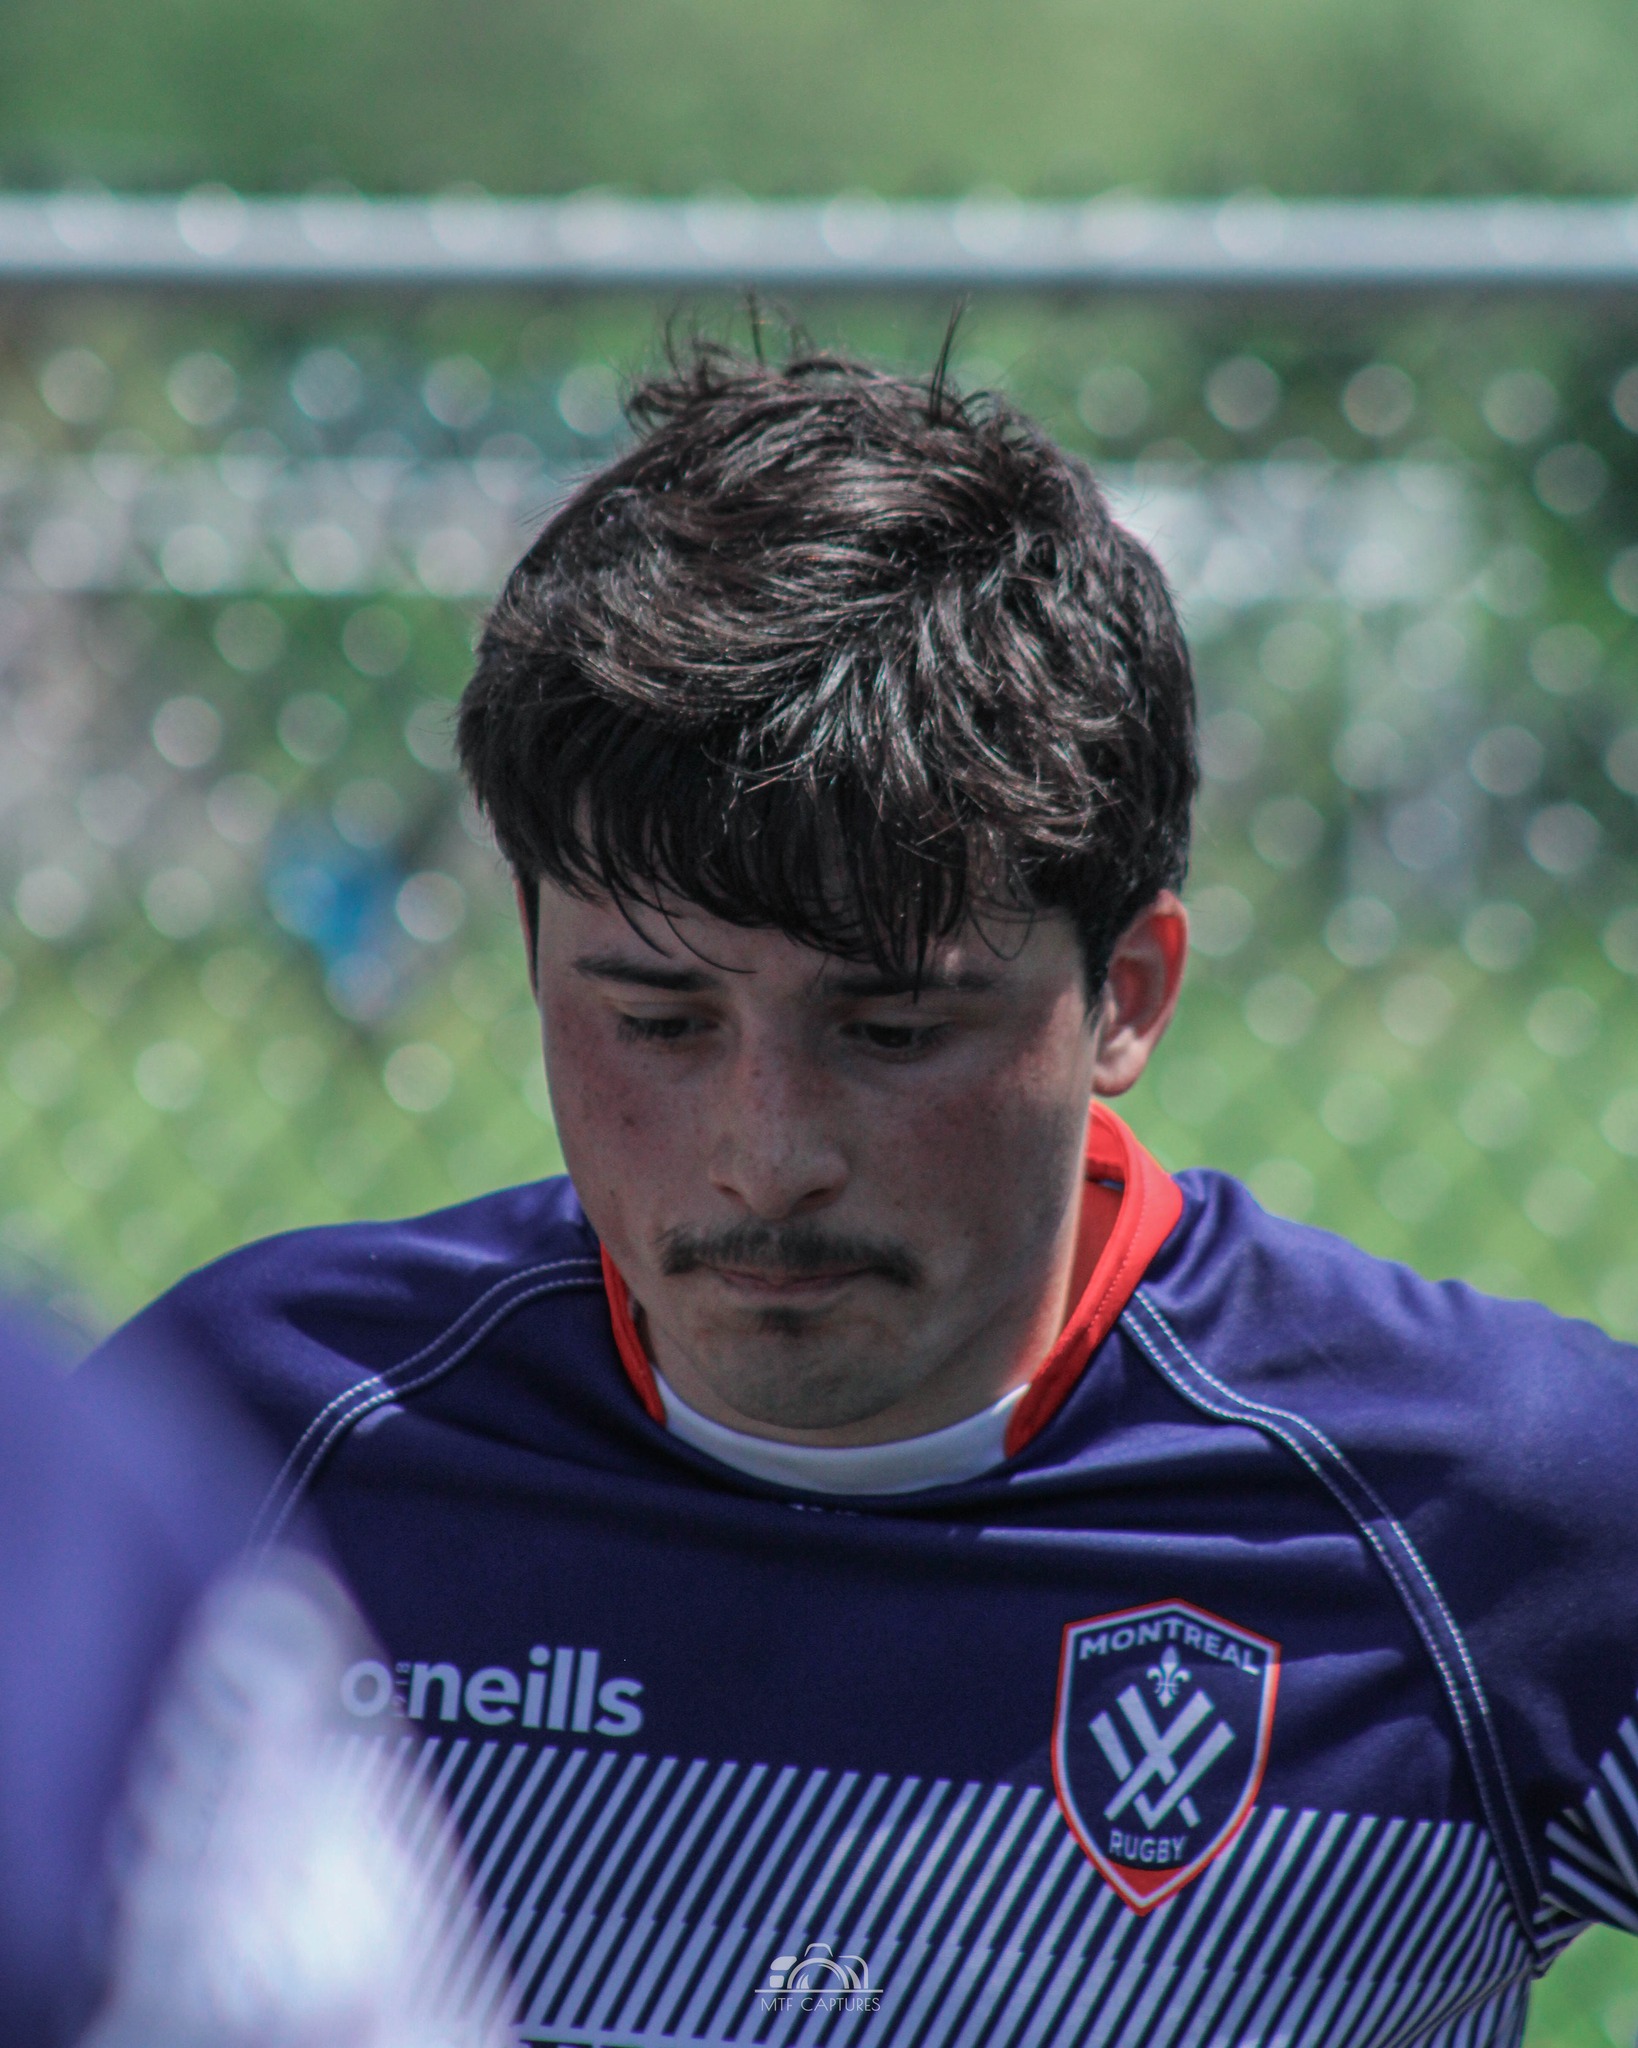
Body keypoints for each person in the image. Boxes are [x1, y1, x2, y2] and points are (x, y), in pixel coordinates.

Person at [90, 342, 1638, 2048]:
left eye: (892, 1025)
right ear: (527, 956)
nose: (765, 1148)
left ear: (1125, 992)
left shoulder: (1513, 1514)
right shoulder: (237, 1448)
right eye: (657, 1020)